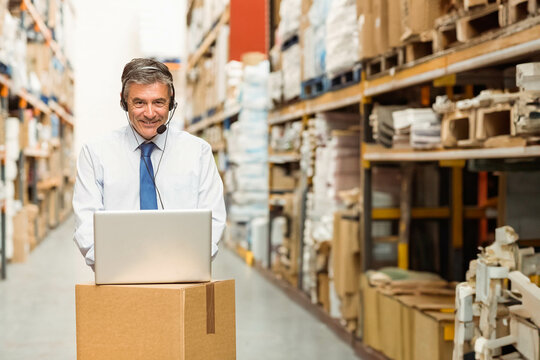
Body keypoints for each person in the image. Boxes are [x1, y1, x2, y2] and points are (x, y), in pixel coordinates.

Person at [73, 58, 226, 270]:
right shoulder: (95, 153)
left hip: (184, 271)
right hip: (117, 275)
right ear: (124, 102)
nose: (150, 113)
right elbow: (86, 221)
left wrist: (191, 262)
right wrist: (109, 265)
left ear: (171, 102)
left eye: (158, 102)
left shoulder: (198, 152)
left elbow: (213, 218)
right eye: (139, 103)